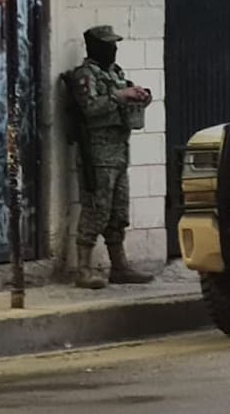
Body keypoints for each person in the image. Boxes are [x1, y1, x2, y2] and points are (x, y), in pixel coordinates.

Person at [67, 25, 154, 289]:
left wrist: (139, 96)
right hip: (98, 154)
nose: (113, 49)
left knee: (118, 212)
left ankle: (120, 266)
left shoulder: (115, 73)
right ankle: (83, 269)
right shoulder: (85, 75)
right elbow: (89, 108)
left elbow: (124, 101)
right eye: (108, 45)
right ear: (95, 46)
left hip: (118, 153)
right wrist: (119, 96)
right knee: (96, 210)